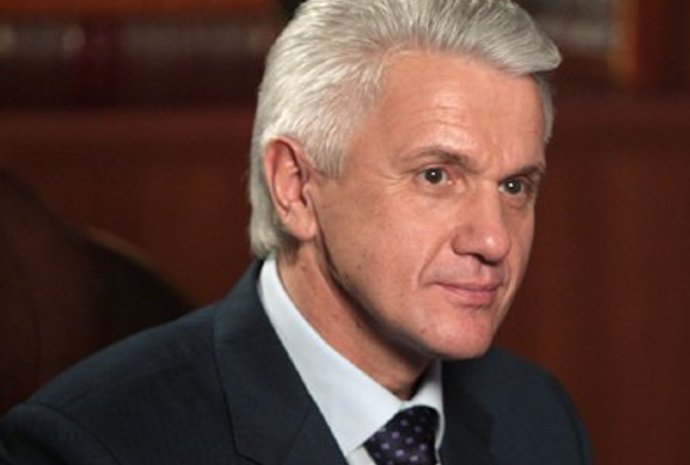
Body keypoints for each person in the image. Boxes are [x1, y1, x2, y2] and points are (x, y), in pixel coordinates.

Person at [1, 0, 593, 463]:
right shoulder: (92, 445)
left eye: (515, 186)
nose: (493, 241)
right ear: (296, 187)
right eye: (435, 175)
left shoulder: (536, 416)